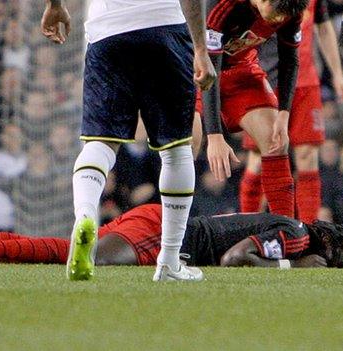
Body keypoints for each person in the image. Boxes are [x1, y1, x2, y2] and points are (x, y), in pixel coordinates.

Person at [40, 0, 216, 282]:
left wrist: (55, 5)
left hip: (106, 31)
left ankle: (85, 217)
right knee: (176, 150)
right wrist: (200, 49)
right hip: (164, 26)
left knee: (99, 145)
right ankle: (169, 261)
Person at [0, 204, 343, 269]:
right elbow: (234, 259)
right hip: (163, 233)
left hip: (160, 224)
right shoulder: (297, 236)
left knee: (65, 250)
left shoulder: (290, 223)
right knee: (86, 259)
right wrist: (290, 264)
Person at [239, 0, 343, 224]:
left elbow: (324, 26)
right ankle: (248, 227)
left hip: (305, 82)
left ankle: (307, 232)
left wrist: (336, 72)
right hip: (264, 78)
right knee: (260, 158)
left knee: (308, 156)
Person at [200, 0, 310, 219]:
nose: (279, 19)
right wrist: (214, 136)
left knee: (275, 143)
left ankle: (286, 233)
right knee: (190, 144)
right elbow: (208, 68)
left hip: (242, 70)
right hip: (196, 72)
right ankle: (172, 240)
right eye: (276, 12)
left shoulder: (290, 9)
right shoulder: (224, 6)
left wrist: (283, 114)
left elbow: (290, 58)